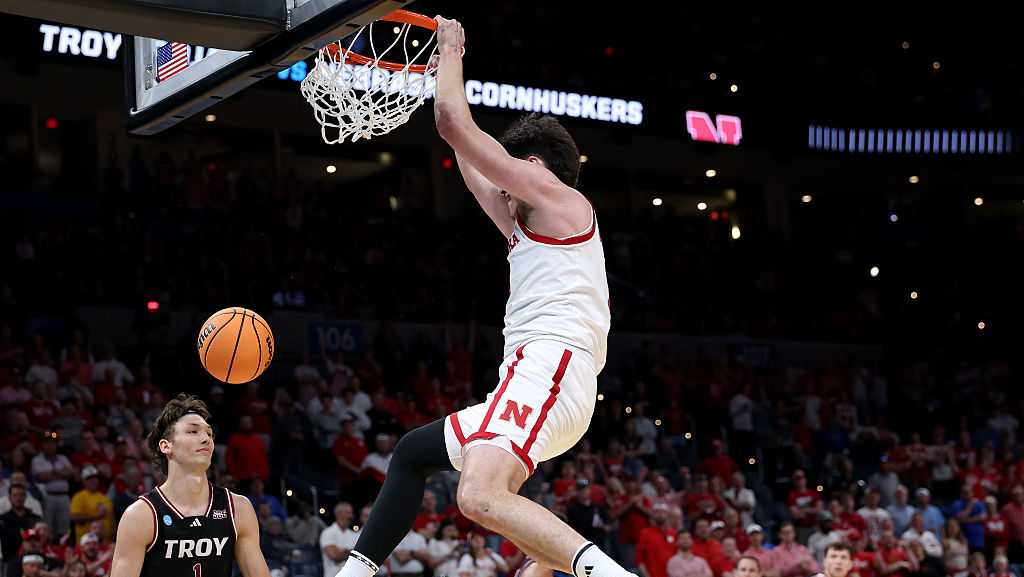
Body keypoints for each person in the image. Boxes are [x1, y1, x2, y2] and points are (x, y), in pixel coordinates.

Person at [332, 14, 621, 577]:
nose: (501, 191)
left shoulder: (558, 197)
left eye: (512, 171)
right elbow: (470, 166)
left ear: (533, 166)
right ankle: (354, 573)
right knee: (415, 454)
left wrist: (451, 48)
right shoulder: (526, 221)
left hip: (551, 364)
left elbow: (451, 123)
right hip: (537, 375)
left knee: (479, 497)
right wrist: (439, 72)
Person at [107, 394, 273, 577]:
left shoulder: (238, 508)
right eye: (193, 431)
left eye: (209, 433)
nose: (206, 439)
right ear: (166, 446)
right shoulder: (141, 515)